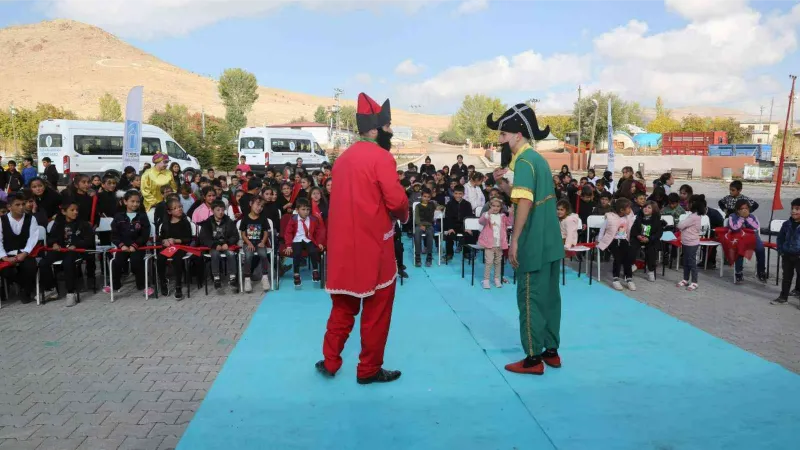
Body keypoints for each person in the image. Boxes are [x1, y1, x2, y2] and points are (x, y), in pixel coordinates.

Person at [317, 93, 408, 385]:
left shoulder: (341, 161)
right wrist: (403, 215)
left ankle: (330, 362)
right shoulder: (382, 157)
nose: (390, 131)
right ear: (374, 129)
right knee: (377, 312)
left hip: (343, 250)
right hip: (375, 249)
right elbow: (396, 201)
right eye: (388, 125)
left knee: (342, 308)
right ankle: (368, 369)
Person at [488, 102, 564, 375]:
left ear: (517, 135)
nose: (500, 140)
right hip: (552, 241)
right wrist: (502, 184)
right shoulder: (538, 160)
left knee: (530, 297)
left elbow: (524, 204)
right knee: (550, 297)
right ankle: (551, 350)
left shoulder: (522, 161)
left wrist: (516, 240)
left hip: (534, 241)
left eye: (503, 135)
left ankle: (533, 358)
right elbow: (522, 195)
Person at [40, 198, 95, 306]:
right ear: (64, 212)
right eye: (72, 210)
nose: (75, 212)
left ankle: (71, 292)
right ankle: (50, 289)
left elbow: (89, 240)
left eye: (76, 210)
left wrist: (76, 245)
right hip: (61, 250)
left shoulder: (83, 224)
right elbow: (51, 238)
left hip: (75, 251)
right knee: (43, 263)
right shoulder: (58, 223)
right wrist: (54, 244)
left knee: (68, 263)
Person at [106, 190, 152, 295]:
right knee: (117, 262)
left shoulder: (142, 217)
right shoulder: (118, 217)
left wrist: (135, 245)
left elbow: (145, 234)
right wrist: (121, 246)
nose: (135, 204)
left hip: (138, 247)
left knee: (136, 262)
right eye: (132, 201)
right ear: (125, 201)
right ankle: (114, 284)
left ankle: (143, 285)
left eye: (137, 202)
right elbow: (114, 235)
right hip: (123, 248)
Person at [0, 192, 40, 303]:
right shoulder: (1, 220)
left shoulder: (31, 219)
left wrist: (25, 253)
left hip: (25, 252)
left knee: (30, 267)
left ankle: (26, 291)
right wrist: (4, 257)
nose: (21, 207)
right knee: (6, 271)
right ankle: (24, 286)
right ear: (9, 207)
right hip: (7, 253)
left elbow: (33, 238)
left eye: (23, 204)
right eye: (17, 205)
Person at [283, 197, 326, 287]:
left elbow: (318, 232)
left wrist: (319, 242)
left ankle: (315, 270)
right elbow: (288, 233)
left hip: (308, 239)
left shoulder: (313, 219)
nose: (306, 212)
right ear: (297, 210)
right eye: (303, 209)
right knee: (297, 253)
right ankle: (296, 273)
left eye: (307, 210)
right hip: (296, 240)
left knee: (313, 251)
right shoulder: (293, 219)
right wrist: (288, 246)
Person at [157, 198, 193, 300]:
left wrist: (176, 240)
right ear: (169, 211)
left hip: (181, 247)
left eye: (180, 207)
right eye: (175, 208)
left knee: (177, 259)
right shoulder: (165, 224)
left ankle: (178, 286)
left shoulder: (185, 222)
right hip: (170, 247)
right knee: (160, 258)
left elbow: (188, 238)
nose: (179, 209)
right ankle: (163, 282)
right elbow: (161, 237)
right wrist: (164, 241)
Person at [597, 197, 636, 291]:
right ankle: (616, 279)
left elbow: (632, 225)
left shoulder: (628, 217)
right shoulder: (610, 217)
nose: (630, 210)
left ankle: (629, 279)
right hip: (612, 240)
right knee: (617, 258)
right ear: (622, 210)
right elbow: (602, 229)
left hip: (624, 240)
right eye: (628, 208)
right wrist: (599, 240)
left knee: (628, 258)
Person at [199, 200, 239, 290]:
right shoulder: (207, 222)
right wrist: (213, 245)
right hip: (214, 246)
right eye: (218, 210)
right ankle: (216, 278)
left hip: (226, 244)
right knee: (215, 254)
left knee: (231, 254)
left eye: (222, 210)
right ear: (212, 211)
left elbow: (235, 236)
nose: (221, 212)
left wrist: (227, 243)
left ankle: (233, 277)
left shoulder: (229, 221)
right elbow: (204, 238)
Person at [728, 199, 766, 283]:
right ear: (737, 210)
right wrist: (741, 218)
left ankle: (761, 271)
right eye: (742, 209)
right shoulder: (732, 216)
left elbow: (756, 227)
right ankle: (739, 272)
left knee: (761, 249)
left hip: (752, 237)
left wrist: (747, 218)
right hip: (739, 237)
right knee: (739, 249)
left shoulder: (752, 217)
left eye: (746, 208)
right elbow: (734, 228)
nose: (744, 210)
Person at [240, 196, 272, 293]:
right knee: (248, 256)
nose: (259, 208)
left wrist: (263, 242)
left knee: (263, 255)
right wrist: (249, 243)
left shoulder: (263, 218)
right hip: (248, 243)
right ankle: (247, 279)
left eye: (262, 206)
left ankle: (265, 277)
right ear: (251, 204)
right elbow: (243, 234)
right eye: (257, 204)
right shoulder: (245, 219)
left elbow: (266, 233)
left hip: (259, 243)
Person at [478, 198, 511, 289]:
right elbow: (481, 221)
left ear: (501, 207)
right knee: (489, 262)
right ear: (490, 206)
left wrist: (511, 213)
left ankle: (497, 279)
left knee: (498, 262)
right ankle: (486, 280)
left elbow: (509, 222)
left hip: (499, 244)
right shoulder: (486, 215)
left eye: (498, 206)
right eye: (493, 206)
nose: (495, 208)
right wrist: (488, 213)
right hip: (489, 244)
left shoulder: (503, 216)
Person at [772, 198, 800, 306]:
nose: (794, 211)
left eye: (797, 209)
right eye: (792, 208)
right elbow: (780, 238)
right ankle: (783, 297)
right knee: (786, 277)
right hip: (787, 254)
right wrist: (781, 250)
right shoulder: (786, 224)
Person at [676, 194, 706, 292]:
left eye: (688, 203)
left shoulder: (694, 217)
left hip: (691, 243)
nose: (686, 204)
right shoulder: (692, 215)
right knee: (686, 262)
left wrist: (680, 223)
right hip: (686, 242)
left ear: (693, 204)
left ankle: (694, 282)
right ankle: (685, 279)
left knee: (691, 262)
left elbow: (681, 225)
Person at [630, 200, 663, 282]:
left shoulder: (657, 220)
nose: (646, 209)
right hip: (639, 238)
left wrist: (649, 238)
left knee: (652, 250)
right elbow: (633, 230)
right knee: (631, 246)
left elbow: (659, 233)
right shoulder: (638, 218)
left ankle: (651, 271)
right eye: (645, 207)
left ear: (654, 210)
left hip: (650, 239)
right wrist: (638, 236)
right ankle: (632, 264)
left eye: (649, 208)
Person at [443, 185, 475, 261]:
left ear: (463, 194)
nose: (458, 195)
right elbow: (448, 217)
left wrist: (468, 227)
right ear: (453, 193)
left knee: (469, 234)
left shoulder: (467, 204)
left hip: (463, 226)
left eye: (460, 193)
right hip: (453, 226)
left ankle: (466, 253)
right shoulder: (449, 204)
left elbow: (469, 217)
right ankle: (449, 254)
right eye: (456, 193)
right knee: (449, 235)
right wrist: (450, 228)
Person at [413, 188, 436, 268]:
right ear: (421, 196)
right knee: (417, 233)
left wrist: (440, 208)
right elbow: (416, 217)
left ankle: (429, 256)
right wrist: (420, 225)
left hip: (429, 225)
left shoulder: (432, 204)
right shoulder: (418, 206)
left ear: (430, 197)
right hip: (420, 225)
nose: (426, 198)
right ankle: (418, 257)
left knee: (430, 233)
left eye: (428, 197)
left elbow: (441, 206)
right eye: (424, 196)